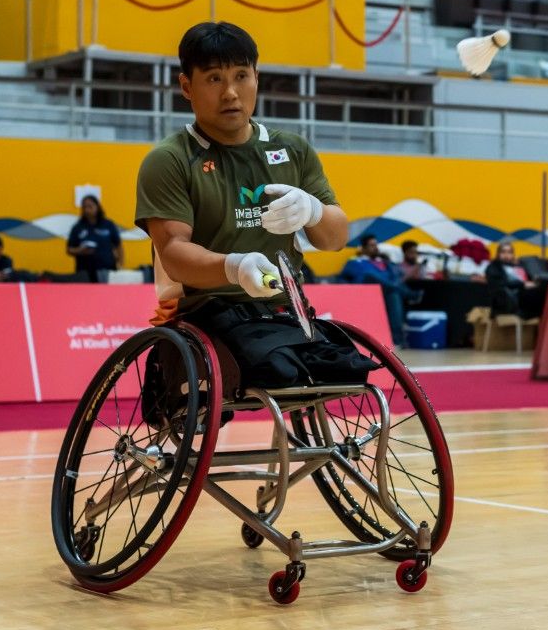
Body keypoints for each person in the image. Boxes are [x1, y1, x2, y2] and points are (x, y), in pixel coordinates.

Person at [135, 21, 360, 390]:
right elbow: (173, 252)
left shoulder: (292, 149)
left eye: (241, 76)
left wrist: (314, 211)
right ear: (186, 87)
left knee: (349, 366)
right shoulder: (169, 160)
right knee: (277, 369)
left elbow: (335, 239)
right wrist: (234, 268)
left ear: (257, 77)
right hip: (206, 315)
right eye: (214, 79)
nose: (230, 93)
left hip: (287, 311)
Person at [339, 235, 418, 347]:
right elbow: (345, 277)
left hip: (385, 292)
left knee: (393, 294)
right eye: (372, 245)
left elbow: (397, 275)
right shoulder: (356, 261)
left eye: (376, 245)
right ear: (363, 248)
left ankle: (398, 339)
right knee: (371, 275)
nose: (375, 248)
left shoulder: (384, 262)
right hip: (366, 291)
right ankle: (409, 294)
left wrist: (388, 264)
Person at [66, 195, 123, 283]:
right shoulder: (78, 227)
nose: (87, 210)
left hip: (107, 270)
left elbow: (118, 245)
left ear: (97, 207)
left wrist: (121, 264)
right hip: (84, 272)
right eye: (84, 207)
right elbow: (69, 249)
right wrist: (80, 250)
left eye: (90, 206)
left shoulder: (108, 225)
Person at [485, 240, 545, 320]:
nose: (506, 255)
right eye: (503, 252)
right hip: (506, 301)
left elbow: (527, 280)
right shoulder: (493, 267)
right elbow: (501, 284)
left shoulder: (517, 267)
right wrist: (523, 284)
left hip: (520, 297)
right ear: (498, 254)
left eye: (509, 252)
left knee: (542, 290)